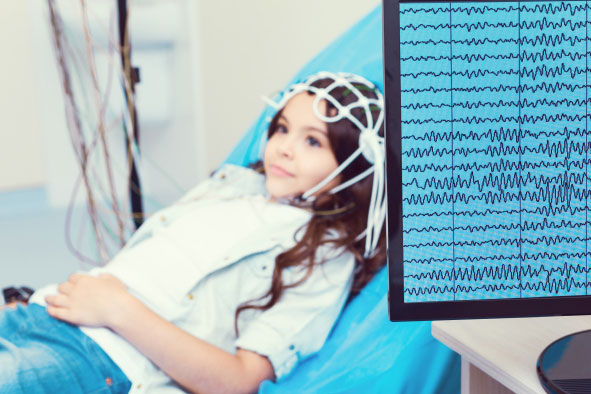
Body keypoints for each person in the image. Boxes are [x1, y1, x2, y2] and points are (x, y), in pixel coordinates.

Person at [0, 71, 386, 394]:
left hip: (99, 356)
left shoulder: (323, 257)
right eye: (282, 128)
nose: (283, 148)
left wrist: (119, 310)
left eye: (312, 141)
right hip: (44, 313)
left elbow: (238, 380)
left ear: (354, 170)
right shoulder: (236, 185)